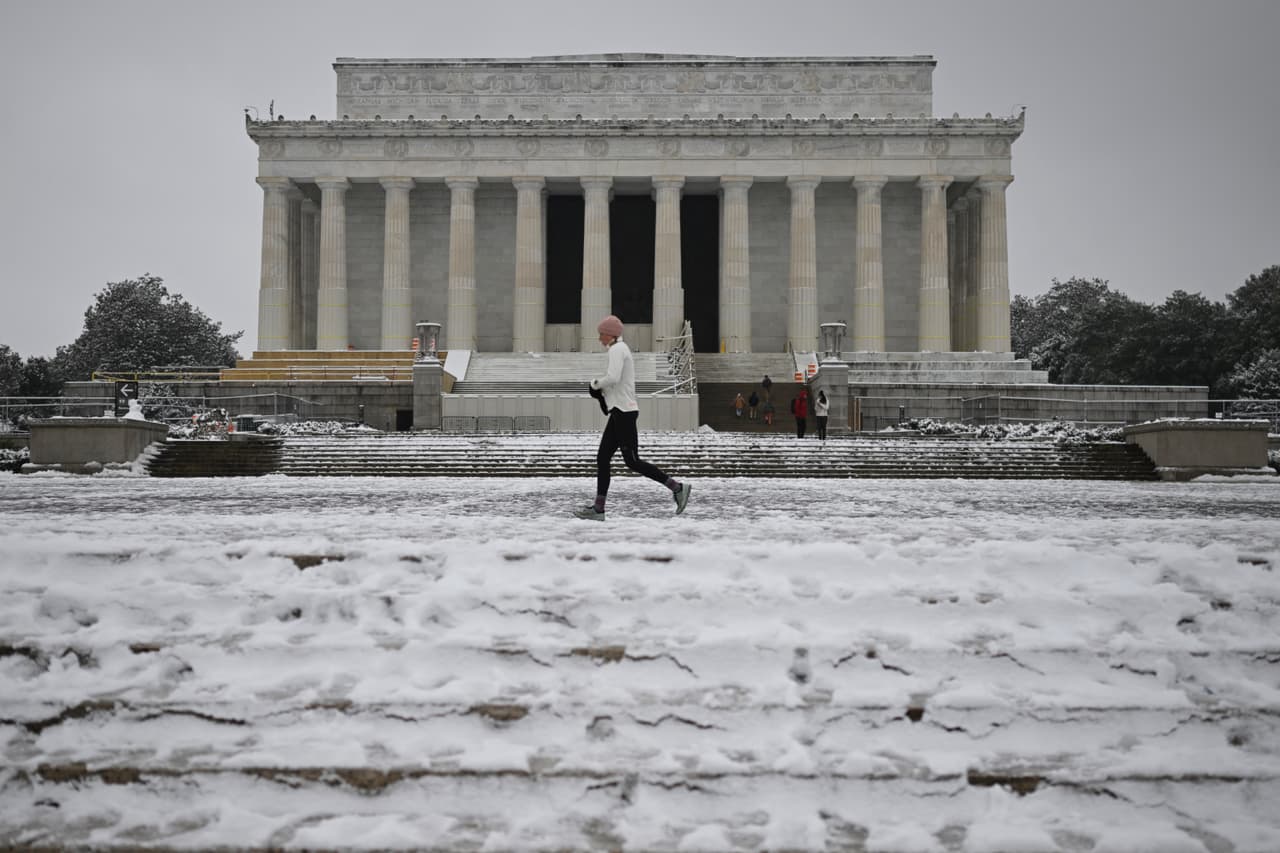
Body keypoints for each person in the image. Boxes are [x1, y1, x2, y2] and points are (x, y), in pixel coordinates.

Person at [574, 315, 691, 521]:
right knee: (603, 458)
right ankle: (598, 509)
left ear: (610, 334)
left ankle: (677, 488)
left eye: (601, 334)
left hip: (624, 412)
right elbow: (617, 383)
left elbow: (613, 378)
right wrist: (602, 391)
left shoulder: (617, 349)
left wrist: (594, 384)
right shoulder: (619, 349)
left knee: (633, 461)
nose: (599, 338)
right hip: (619, 411)